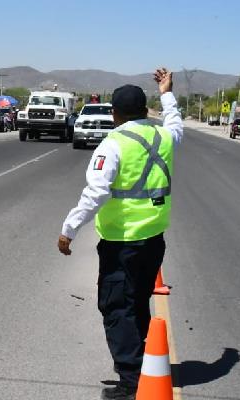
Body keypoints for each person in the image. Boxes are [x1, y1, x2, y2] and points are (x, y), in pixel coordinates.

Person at [57, 68, 182, 400]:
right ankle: (141, 367)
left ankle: (131, 382)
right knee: (137, 303)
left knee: (116, 307)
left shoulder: (113, 143)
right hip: (154, 239)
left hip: (122, 243)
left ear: (115, 113)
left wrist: (69, 229)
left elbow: (95, 193)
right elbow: (175, 123)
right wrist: (167, 92)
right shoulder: (164, 137)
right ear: (144, 110)